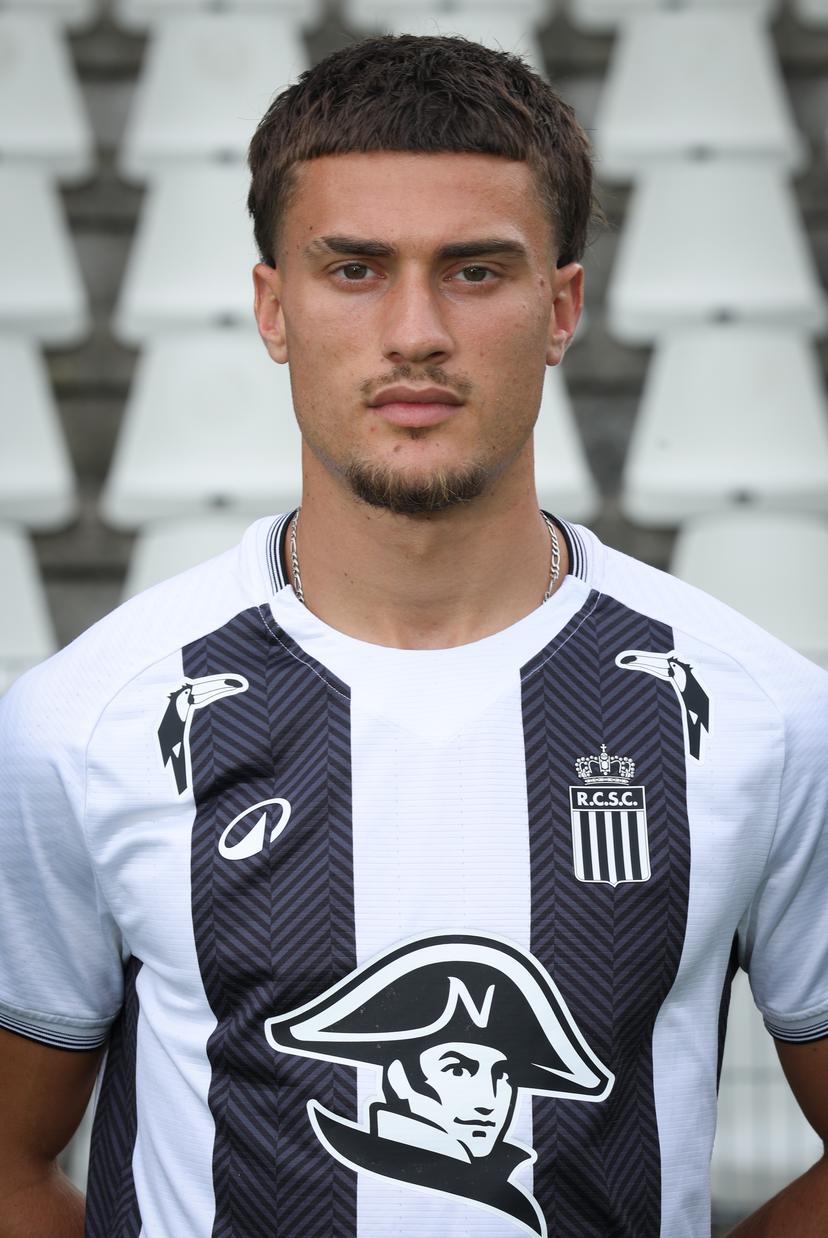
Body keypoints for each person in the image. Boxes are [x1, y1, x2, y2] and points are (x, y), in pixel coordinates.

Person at [0, 32, 826, 1238]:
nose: (416, 329)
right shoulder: (90, 720)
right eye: (354, 269)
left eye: (477, 271)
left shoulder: (755, 711)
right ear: (273, 308)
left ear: (564, 305)